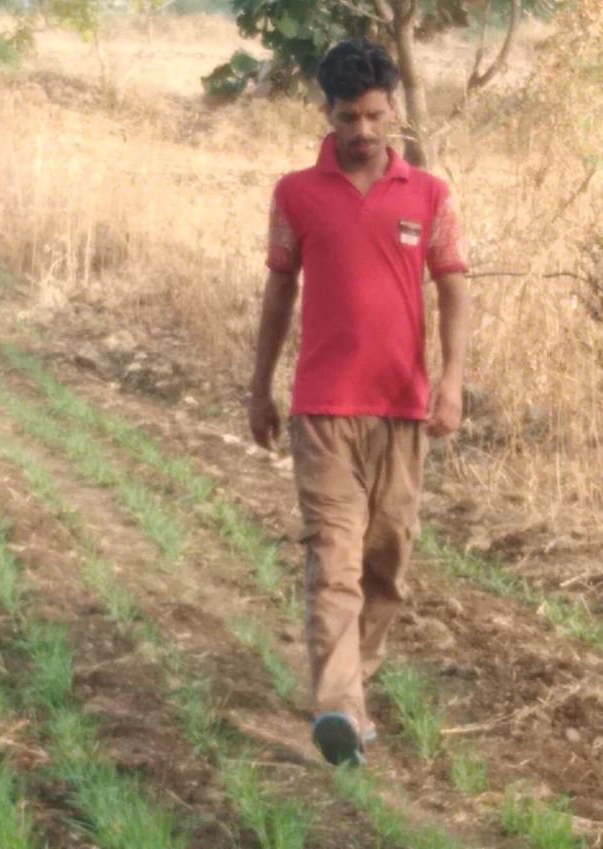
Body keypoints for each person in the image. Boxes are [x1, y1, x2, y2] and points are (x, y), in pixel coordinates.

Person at [248, 37, 470, 766]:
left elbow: (453, 287)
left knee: (385, 564)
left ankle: (354, 693)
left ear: (393, 110)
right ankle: (337, 706)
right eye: (348, 117)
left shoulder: (429, 195)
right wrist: (260, 386)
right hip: (322, 410)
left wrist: (452, 380)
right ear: (328, 112)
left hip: (402, 410)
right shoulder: (295, 193)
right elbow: (279, 292)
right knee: (334, 557)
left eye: (375, 115)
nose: (363, 131)